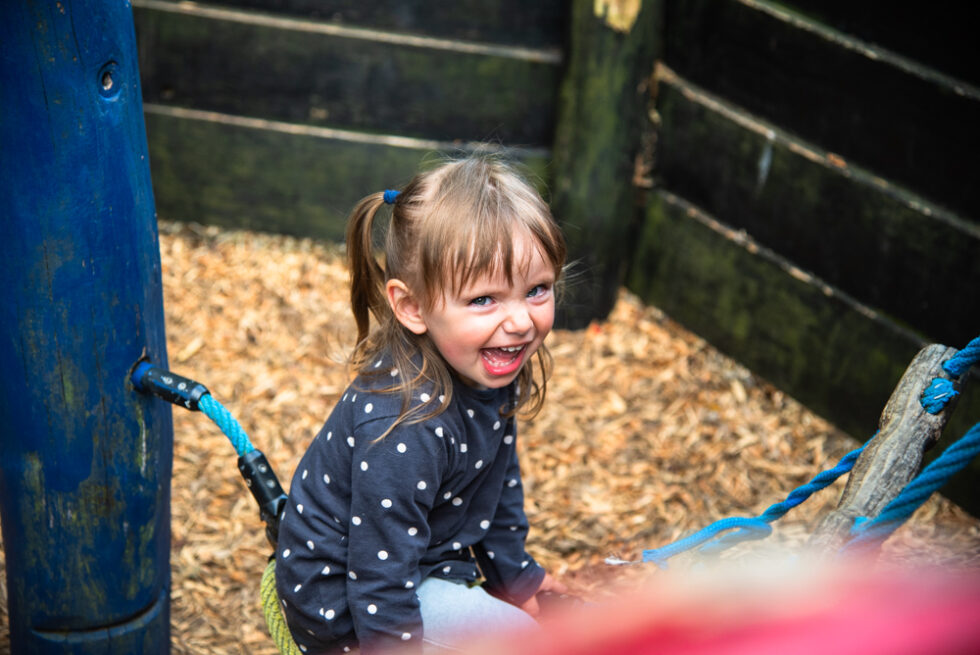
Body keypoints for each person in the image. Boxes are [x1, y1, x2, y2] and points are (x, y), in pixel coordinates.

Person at [275, 153, 569, 654]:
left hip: (419, 561)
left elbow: (497, 490)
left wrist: (519, 583)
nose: (520, 321)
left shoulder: (490, 363)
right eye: (484, 299)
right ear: (412, 307)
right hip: (347, 600)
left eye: (537, 290)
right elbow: (377, 575)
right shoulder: (405, 425)